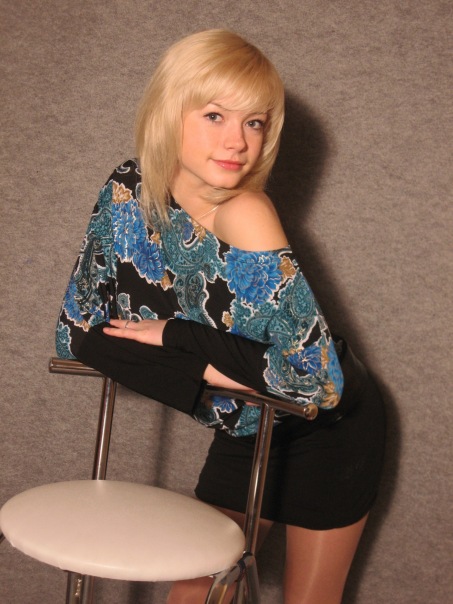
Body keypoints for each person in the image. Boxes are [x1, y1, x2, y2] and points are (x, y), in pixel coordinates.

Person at [56, 29, 386, 604]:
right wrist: (209, 371)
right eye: (214, 115)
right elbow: (78, 334)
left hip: (329, 433)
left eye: (254, 122)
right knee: (195, 595)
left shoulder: (246, 211)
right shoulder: (129, 192)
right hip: (248, 429)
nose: (238, 141)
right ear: (170, 112)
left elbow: (316, 381)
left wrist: (176, 338)